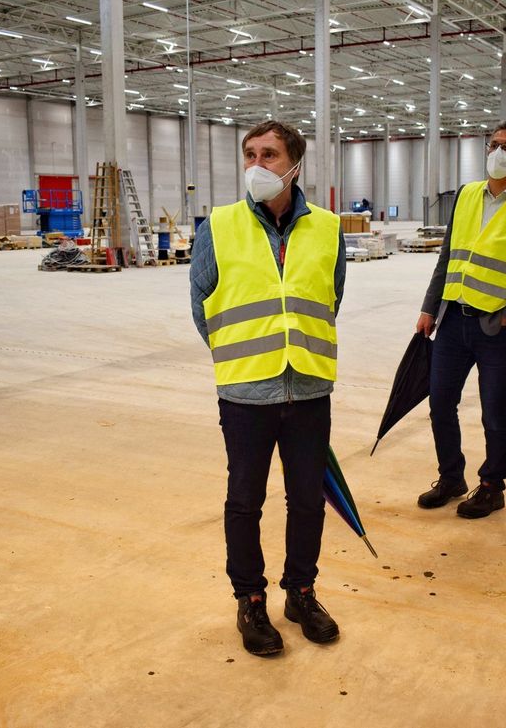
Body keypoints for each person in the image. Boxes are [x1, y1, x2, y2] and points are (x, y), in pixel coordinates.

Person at [190, 120, 347, 657]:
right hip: (245, 392)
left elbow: (332, 298)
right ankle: (250, 601)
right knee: (245, 501)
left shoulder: (327, 227)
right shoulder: (220, 224)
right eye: (250, 154)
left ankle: (300, 593)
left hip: (307, 388)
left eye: (271, 155)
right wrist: (242, 354)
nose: (258, 165)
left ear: (295, 164)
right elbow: (202, 305)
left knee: (307, 500)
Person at [414, 121, 506, 518]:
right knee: (441, 403)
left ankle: (493, 486)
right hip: (452, 321)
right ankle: (451, 477)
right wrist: (429, 308)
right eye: (493, 144)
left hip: (496, 329)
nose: (498, 151)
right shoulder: (465, 195)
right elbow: (448, 256)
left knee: (494, 410)